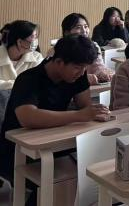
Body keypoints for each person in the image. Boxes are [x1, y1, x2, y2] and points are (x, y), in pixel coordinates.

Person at [0, 36, 108, 186]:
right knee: (64, 178)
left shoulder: (78, 76)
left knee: (93, 167)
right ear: (58, 62)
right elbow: (28, 118)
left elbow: (85, 106)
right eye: (77, 67)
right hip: (19, 150)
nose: (82, 72)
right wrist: (79, 115)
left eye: (85, 68)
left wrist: (95, 112)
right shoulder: (28, 79)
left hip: (53, 142)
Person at [59, 13, 113, 84]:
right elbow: (61, 76)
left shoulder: (93, 46)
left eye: (86, 26)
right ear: (67, 32)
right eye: (78, 27)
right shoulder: (60, 49)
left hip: (91, 86)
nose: (84, 31)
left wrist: (102, 73)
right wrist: (84, 79)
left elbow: (98, 66)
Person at [0, 21, 42, 90]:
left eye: (36, 37)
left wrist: (5, 85)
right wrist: (21, 84)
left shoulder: (37, 57)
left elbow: (38, 82)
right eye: (33, 37)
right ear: (19, 42)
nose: (35, 41)